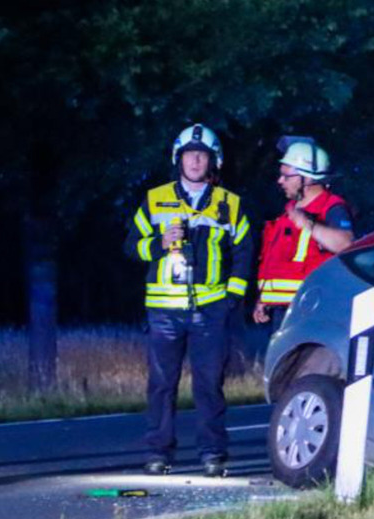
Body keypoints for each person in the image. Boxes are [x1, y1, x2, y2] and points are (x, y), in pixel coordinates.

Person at [125, 124, 253, 477]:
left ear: (213, 161)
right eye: (189, 154)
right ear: (177, 158)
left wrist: (232, 298)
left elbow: (243, 253)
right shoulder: (154, 199)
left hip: (210, 310)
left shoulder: (230, 204)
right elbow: (130, 246)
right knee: (161, 385)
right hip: (164, 310)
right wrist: (157, 243)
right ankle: (158, 453)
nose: (195, 160)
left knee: (209, 386)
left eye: (202, 154)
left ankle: (213, 454)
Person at [252, 136, 354, 335]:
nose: (280, 181)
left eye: (287, 176)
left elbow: (347, 243)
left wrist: (310, 226)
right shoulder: (290, 211)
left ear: (307, 178)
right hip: (283, 311)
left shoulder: (332, 208)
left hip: (313, 313)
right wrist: (264, 298)